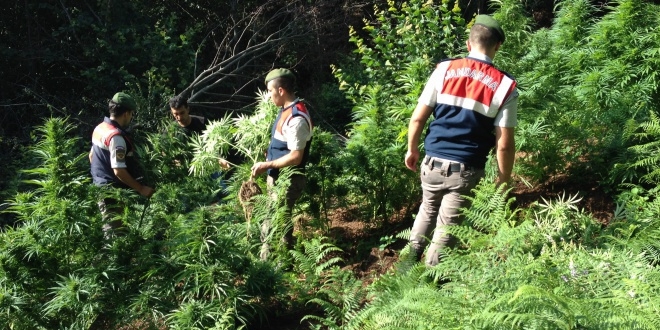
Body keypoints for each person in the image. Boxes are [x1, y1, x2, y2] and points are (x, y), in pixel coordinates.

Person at [404, 15, 518, 267]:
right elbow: (504, 144)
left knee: (427, 209)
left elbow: (417, 118)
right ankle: (430, 280)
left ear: (469, 43)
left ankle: (408, 267)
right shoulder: (505, 87)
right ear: (497, 46)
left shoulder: (444, 69)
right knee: (447, 228)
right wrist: (504, 178)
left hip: (431, 163)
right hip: (464, 170)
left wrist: (412, 149)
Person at [251, 68, 313, 261]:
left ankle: (278, 264)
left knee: (277, 222)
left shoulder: (296, 118)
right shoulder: (285, 111)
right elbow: (285, 146)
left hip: (288, 181)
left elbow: (296, 157)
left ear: (281, 90)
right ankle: (277, 260)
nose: (268, 96)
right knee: (274, 219)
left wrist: (267, 164)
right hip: (278, 178)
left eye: (270, 91)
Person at [90, 92, 155, 237]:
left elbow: (91, 156)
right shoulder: (116, 137)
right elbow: (119, 170)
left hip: (100, 187)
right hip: (112, 193)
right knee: (114, 236)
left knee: (116, 231)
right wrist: (140, 188)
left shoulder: (100, 128)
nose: (131, 118)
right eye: (131, 114)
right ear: (126, 113)